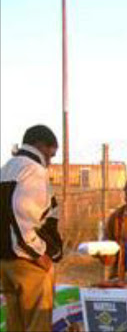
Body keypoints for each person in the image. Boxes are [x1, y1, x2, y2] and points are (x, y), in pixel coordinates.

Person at [0, 125, 63, 332]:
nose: (50, 161)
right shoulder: (33, 170)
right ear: (40, 145)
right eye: (50, 154)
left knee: (15, 324)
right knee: (38, 324)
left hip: (6, 261)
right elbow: (22, 216)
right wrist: (39, 255)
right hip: (28, 261)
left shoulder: (7, 167)